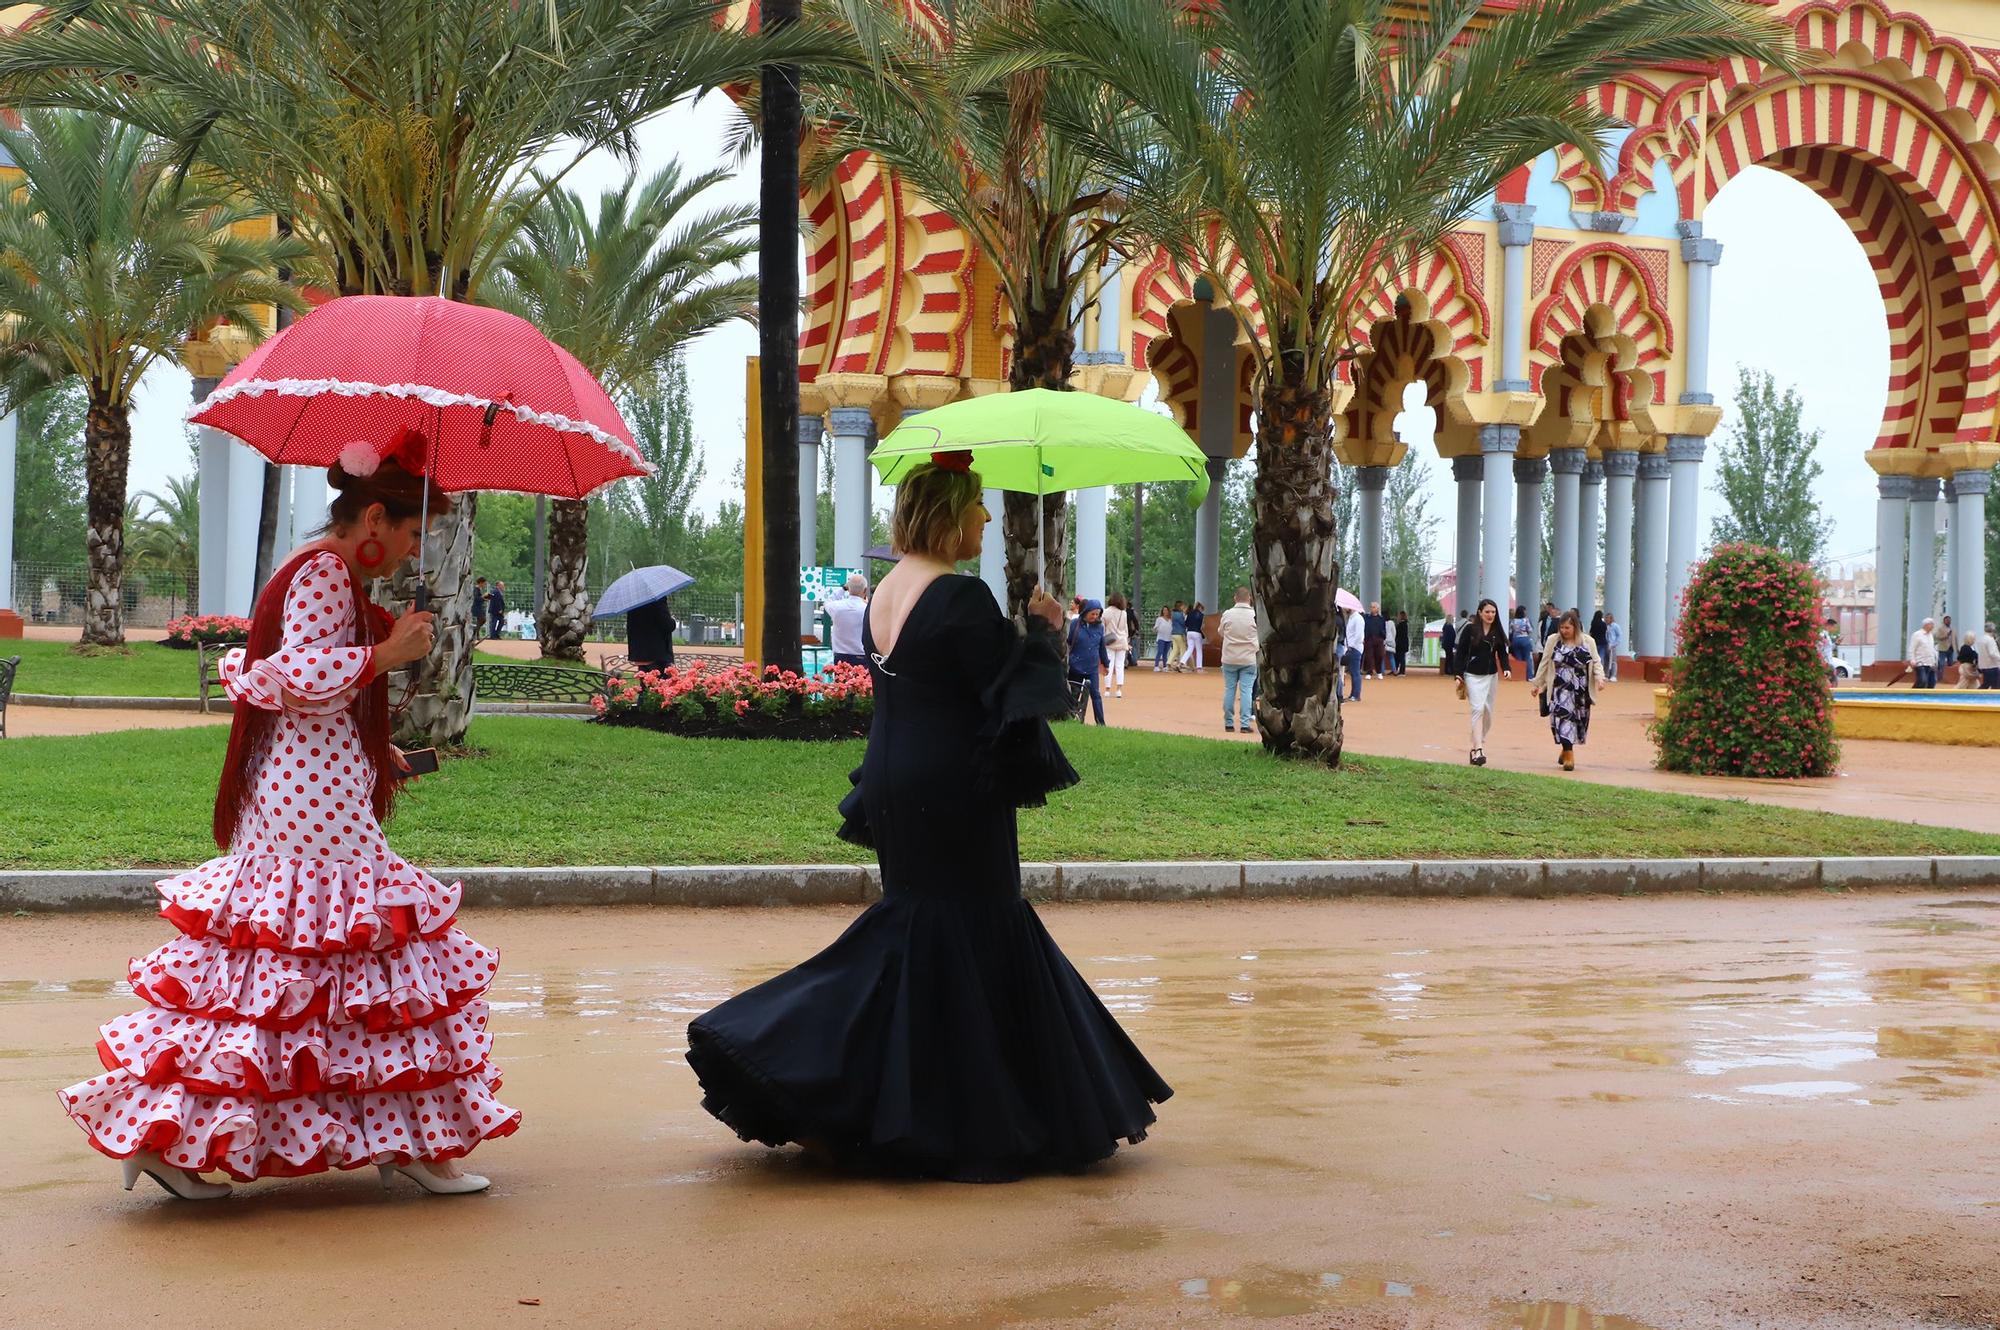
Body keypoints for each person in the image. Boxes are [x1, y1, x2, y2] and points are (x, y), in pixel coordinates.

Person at [684, 453, 1170, 1181]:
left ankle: (891, 1100)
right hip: (952, 784)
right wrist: (1044, 633)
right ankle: (805, 1062)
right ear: (949, 514)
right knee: (971, 923)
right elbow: (1010, 698)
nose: (985, 518)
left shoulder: (885, 589)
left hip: (894, 775)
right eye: (976, 507)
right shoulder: (960, 595)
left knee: (923, 926)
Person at [57, 434, 518, 1200]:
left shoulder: (314, 571)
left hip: (308, 786)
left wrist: (377, 746)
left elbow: (301, 695)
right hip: (312, 800)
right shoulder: (326, 575)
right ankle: (403, 1140)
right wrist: (386, 656)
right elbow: (296, 675)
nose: (409, 553)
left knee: (287, 973)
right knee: (362, 963)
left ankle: (178, 1133)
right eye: (409, 535)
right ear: (374, 517)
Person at [1531, 609, 1608, 771]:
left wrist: (1600, 678)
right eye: (1562, 628)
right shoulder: (1553, 641)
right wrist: (1537, 684)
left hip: (1580, 690)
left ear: (1576, 627)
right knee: (1563, 720)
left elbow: (1596, 662)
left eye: (1568, 628)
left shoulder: (1588, 642)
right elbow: (1544, 663)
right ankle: (1569, 754)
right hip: (1560, 689)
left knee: (1579, 722)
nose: (1564, 631)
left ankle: (1565, 749)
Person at [1451, 597, 1511, 766]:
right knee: (1477, 709)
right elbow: (1461, 652)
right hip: (1472, 675)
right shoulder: (1470, 629)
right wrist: (1458, 675)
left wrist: (1506, 668)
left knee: (1488, 712)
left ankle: (1479, 739)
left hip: (1491, 676)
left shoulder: (1497, 631)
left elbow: (1503, 653)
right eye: (1487, 612)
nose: (1490, 615)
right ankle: (1478, 749)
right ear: (1480, 613)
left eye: (1493, 612)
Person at [1219, 586, 1258, 733]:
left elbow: (1221, 632)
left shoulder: (1227, 614)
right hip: (1249, 658)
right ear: (1250, 599)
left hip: (1229, 657)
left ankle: (1229, 723)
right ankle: (1244, 724)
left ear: (1235, 598)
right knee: (1246, 691)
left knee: (1229, 689)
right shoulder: (1255, 615)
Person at [1066, 599, 1110, 724]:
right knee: (1074, 694)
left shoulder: (1100, 627)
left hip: (1092, 667)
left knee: (1096, 695)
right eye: (1093, 614)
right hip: (1076, 665)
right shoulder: (1075, 623)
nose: (1095, 617)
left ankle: (1101, 723)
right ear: (1085, 612)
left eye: (1097, 614)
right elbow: (1068, 642)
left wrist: (1105, 664)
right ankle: (1071, 720)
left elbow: (1102, 647)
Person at [825, 574, 871, 670]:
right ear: (865, 590)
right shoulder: (867, 609)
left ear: (848, 589)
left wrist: (842, 589)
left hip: (840, 656)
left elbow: (828, 601)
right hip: (861, 656)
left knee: (841, 684)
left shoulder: (837, 607)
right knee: (861, 684)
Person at [627, 597, 678, 671]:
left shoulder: (634, 599)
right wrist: (673, 620)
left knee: (646, 680)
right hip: (658, 655)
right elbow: (667, 625)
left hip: (640, 655)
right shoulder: (658, 599)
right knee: (660, 681)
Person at [1101, 594, 1131, 698]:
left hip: (1109, 642)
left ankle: (1107, 690)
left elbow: (1102, 628)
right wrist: (1127, 640)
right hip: (1122, 641)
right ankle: (1119, 690)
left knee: (1108, 665)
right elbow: (1125, 629)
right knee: (1120, 666)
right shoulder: (1124, 613)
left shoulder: (1105, 612)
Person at [1341, 603, 1365, 702]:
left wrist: (1352, 646)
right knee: (1352, 671)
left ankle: (1356, 694)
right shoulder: (1351, 618)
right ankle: (1353, 694)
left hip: (1354, 648)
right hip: (1350, 648)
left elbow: (1359, 636)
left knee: (1355, 672)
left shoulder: (1358, 619)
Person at [1910, 616, 1939, 689]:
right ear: (1926, 625)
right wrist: (1912, 660)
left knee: (1932, 681)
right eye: (1931, 624)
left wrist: (1934, 662)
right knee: (1922, 680)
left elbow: (1932, 649)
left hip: (1930, 663)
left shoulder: (1931, 636)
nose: (1933, 626)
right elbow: (1912, 648)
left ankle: (1927, 697)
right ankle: (1912, 694)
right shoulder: (1917, 634)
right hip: (1920, 662)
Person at [1362, 601, 1387, 678]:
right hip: (1369, 639)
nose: (1371, 608)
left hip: (1379, 639)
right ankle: (1369, 672)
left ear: (1377, 609)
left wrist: (1383, 636)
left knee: (1379, 655)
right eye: (1371, 607)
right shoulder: (1366, 617)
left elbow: (1384, 628)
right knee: (1369, 656)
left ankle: (1379, 671)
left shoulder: (1381, 619)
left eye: (1373, 607)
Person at [1180, 601, 1206, 672]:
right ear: (1200, 608)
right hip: (1197, 633)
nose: (1202, 610)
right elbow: (1202, 627)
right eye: (1202, 609)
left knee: (1190, 649)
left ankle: (1182, 662)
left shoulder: (1189, 614)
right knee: (1199, 650)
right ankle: (1199, 667)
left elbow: (1186, 624)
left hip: (1189, 632)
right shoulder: (1201, 615)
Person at [1507, 605, 1533, 676]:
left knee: (1518, 659)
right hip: (1525, 639)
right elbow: (1530, 630)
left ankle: (1520, 675)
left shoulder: (1513, 621)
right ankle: (1529, 676)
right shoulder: (1526, 620)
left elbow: (1510, 631)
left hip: (1515, 640)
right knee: (1527, 658)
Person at [1817, 617, 1840, 685]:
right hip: (1826, 662)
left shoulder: (1827, 635)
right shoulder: (1822, 635)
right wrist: (1822, 661)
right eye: (1834, 627)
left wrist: (1836, 643)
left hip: (1828, 662)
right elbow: (1819, 648)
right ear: (1829, 625)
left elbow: (1828, 648)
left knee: (1832, 681)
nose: (1834, 629)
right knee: (1833, 682)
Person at [1978, 622, 2000, 690]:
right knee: (1996, 685)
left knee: (1986, 683)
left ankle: (1977, 695)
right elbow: (1992, 653)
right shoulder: (1990, 640)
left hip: (1983, 665)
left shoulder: (1981, 639)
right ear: (1993, 630)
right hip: (1992, 666)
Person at [1152, 605, 1173, 672]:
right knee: (1160, 651)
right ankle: (1156, 666)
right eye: (1164, 610)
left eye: (1166, 610)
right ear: (1162, 611)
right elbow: (1155, 627)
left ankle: (1164, 666)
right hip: (1161, 638)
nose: (1165, 611)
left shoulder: (1170, 620)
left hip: (1169, 638)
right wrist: (1155, 629)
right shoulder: (1159, 619)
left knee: (1165, 653)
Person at [1603, 613, 1624, 681]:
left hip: (1612, 645)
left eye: (1607, 618)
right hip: (1606, 645)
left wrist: (1614, 644)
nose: (1606, 619)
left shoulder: (1615, 626)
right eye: (1605, 618)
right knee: (1606, 661)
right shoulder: (1606, 626)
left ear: (1611, 619)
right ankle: (1606, 675)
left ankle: (1613, 675)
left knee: (1613, 661)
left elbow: (1619, 636)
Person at [1169, 601, 1187, 673]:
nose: (1184, 607)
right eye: (1183, 606)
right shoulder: (1180, 614)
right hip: (1179, 633)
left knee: (1175, 650)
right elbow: (1183, 624)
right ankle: (1182, 664)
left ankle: (1169, 663)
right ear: (1180, 606)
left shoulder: (1172, 614)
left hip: (1173, 633)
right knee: (1183, 649)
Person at [470, 576, 489, 643]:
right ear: (481, 582)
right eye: (484, 583)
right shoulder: (476, 589)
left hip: (479, 607)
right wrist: (483, 596)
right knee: (482, 619)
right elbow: (476, 598)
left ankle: (476, 633)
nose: (484, 585)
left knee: (480, 620)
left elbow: (479, 598)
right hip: (476, 607)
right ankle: (475, 631)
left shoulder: (479, 589)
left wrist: (484, 599)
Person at [1439, 611, 1459, 676]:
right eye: (1452, 619)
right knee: (1449, 657)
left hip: (1446, 644)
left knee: (1448, 657)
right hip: (1449, 644)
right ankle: (1448, 671)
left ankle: (1447, 670)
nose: (1453, 620)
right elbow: (1451, 636)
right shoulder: (1449, 627)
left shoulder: (1446, 626)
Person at [1393, 610, 1411, 675]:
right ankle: (1397, 670)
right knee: (1399, 657)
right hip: (1402, 643)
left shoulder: (1402, 624)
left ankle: (1402, 671)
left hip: (1401, 644)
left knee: (1401, 657)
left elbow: (1399, 634)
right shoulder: (1404, 624)